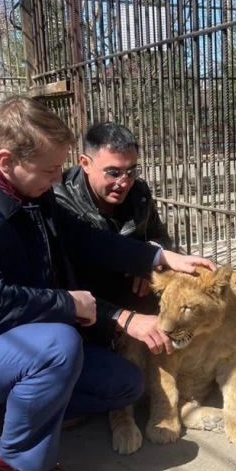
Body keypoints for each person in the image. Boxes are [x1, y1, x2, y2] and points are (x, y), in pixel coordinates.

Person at [0, 97, 215, 471]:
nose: (56, 179)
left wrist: (158, 256)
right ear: (7, 159)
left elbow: (84, 238)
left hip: (9, 338)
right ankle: (19, 469)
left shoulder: (31, 190)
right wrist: (112, 313)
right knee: (55, 346)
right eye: (50, 169)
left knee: (124, 385)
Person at [53, 122, 173, 341]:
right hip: (90, 309)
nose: (124, 182)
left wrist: (148, 256)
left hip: (138, 297)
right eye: (113, 172)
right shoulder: (59, 199)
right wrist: (137, 258)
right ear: (85, 163)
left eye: (131, 171)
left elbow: (160, 237)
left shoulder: (139, 192)